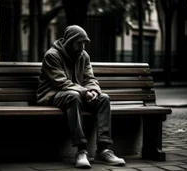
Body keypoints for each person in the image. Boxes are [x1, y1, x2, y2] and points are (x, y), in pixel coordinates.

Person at [36, 25, 126, 168]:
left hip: (78, 94)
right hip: (53, 95)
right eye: (79, 43)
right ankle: (81, 150)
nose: (82, 47)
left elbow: (90, 78)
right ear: (70, 41)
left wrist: (94, 91)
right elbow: (61, 82)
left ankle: (104, 149)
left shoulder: (83, 56)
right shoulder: (52, 55)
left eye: (84, 43)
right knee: (73, 96)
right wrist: (85, 92)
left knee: (104, 98)